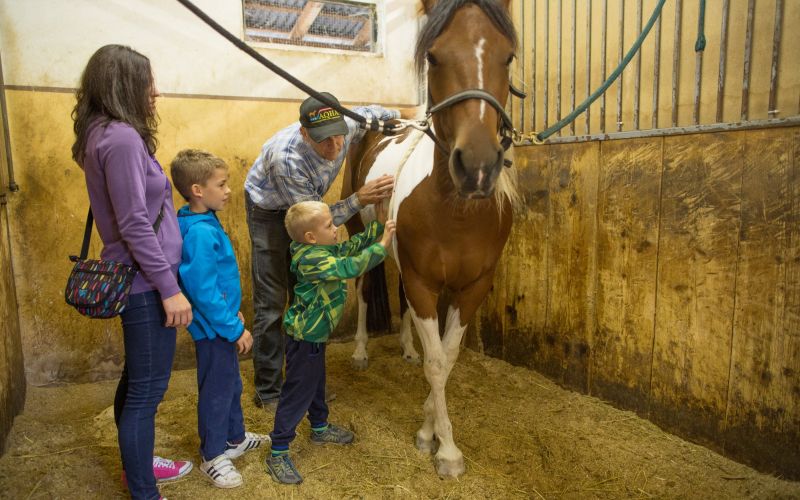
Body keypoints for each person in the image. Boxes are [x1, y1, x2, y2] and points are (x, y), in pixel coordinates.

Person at [71, 44, 193, 499]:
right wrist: (168, 288)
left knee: (137, 380)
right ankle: (143, 490)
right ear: (124, 85)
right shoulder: (120, 138)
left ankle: (138, 467)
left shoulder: (103, 134)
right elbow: (134, 222)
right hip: (145, 283)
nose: (155, 92)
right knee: (147, 391)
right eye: (147, 82)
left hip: (143, 278)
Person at [244, 92, 403, 411]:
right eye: (323, 143)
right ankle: (269, 390)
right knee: (273, 300)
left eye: (338, 138)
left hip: (310, 205)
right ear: (305, 134)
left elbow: (376, 112)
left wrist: (404, 116)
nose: (334, 149)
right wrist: (359, 199)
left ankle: (304, 383)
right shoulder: (286, 159)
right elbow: (316, 222)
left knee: (308, 295)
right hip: (272, 212)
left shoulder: (347, 122)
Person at [265, 200, 396, 484]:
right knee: (298, 392)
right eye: (329, 225)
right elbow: (352, 265)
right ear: (310, 237)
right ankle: (278, 450)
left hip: (315, 336)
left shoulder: (321, 249)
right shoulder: (312, 259)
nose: (336, 228)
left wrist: (376, 226)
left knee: (316, 385)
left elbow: (348, 248)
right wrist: (383, 244)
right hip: (305, 337)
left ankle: (320, 427)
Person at [170, 149, 270, 488]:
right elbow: (201, 289)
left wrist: (231, 312)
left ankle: (234, 438)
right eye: (222, 184)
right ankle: (213, 455)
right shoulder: (199, 232)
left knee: (230, 382)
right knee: (216, 389)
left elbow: (214, 284)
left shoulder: (204, 221)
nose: (228, 190)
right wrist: (233, 326)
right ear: (198, 190)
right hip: (213, 328)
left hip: (220, 320)